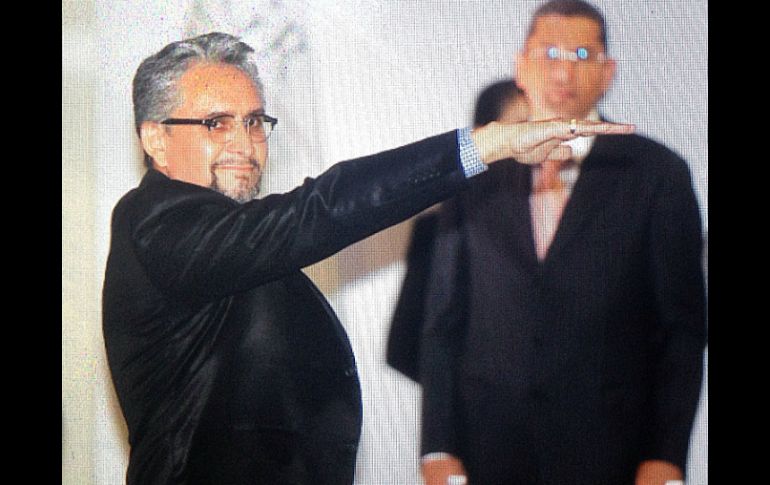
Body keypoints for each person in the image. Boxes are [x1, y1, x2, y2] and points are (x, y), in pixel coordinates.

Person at [101, 32, 632, 485]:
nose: (245, 142)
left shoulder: (232, 242)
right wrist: (484, 146)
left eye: (255, 121)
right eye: (217, 123)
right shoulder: (153, 221)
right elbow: (320, 210)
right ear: (156, 138)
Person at [414, 2, 706, 485]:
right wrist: (437, 446)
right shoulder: (477, 171)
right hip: (487, 449)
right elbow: (442, 322)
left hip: (611, 452)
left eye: (582, 54)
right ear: (521, 67)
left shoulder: (656, 175)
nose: (564, 70)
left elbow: (682, 329)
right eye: (549, 52)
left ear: (607, 72)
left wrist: (666, 455)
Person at [387, 79, 529, 381]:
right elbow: (403, 348)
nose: (534, 145)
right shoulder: (441, 229)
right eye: (521, 130)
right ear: (484, 138)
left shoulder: (573, 228)